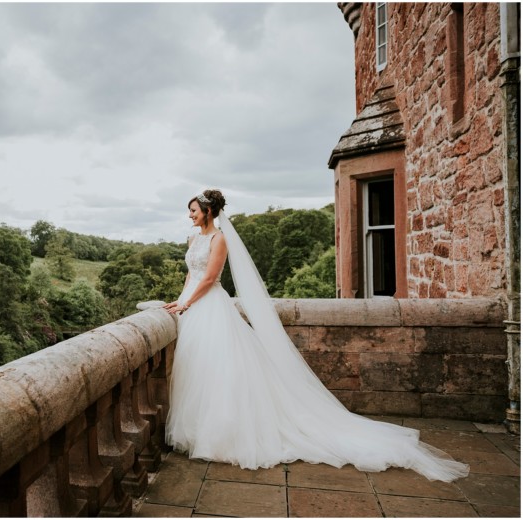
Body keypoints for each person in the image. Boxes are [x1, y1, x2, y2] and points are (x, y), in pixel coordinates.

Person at [162, 189, 469, 482]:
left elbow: (212, 277)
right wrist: (180, 299)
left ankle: (221, 435)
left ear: (208, 212)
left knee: (221, 369)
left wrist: (188, 302)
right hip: (192, 305)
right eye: (189, 211)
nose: (189, 215)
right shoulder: (193, 238)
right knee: (199, 369)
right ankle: (198, 430)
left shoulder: (220, 238)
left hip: (210, 305)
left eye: (193, 210)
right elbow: (192, 274)